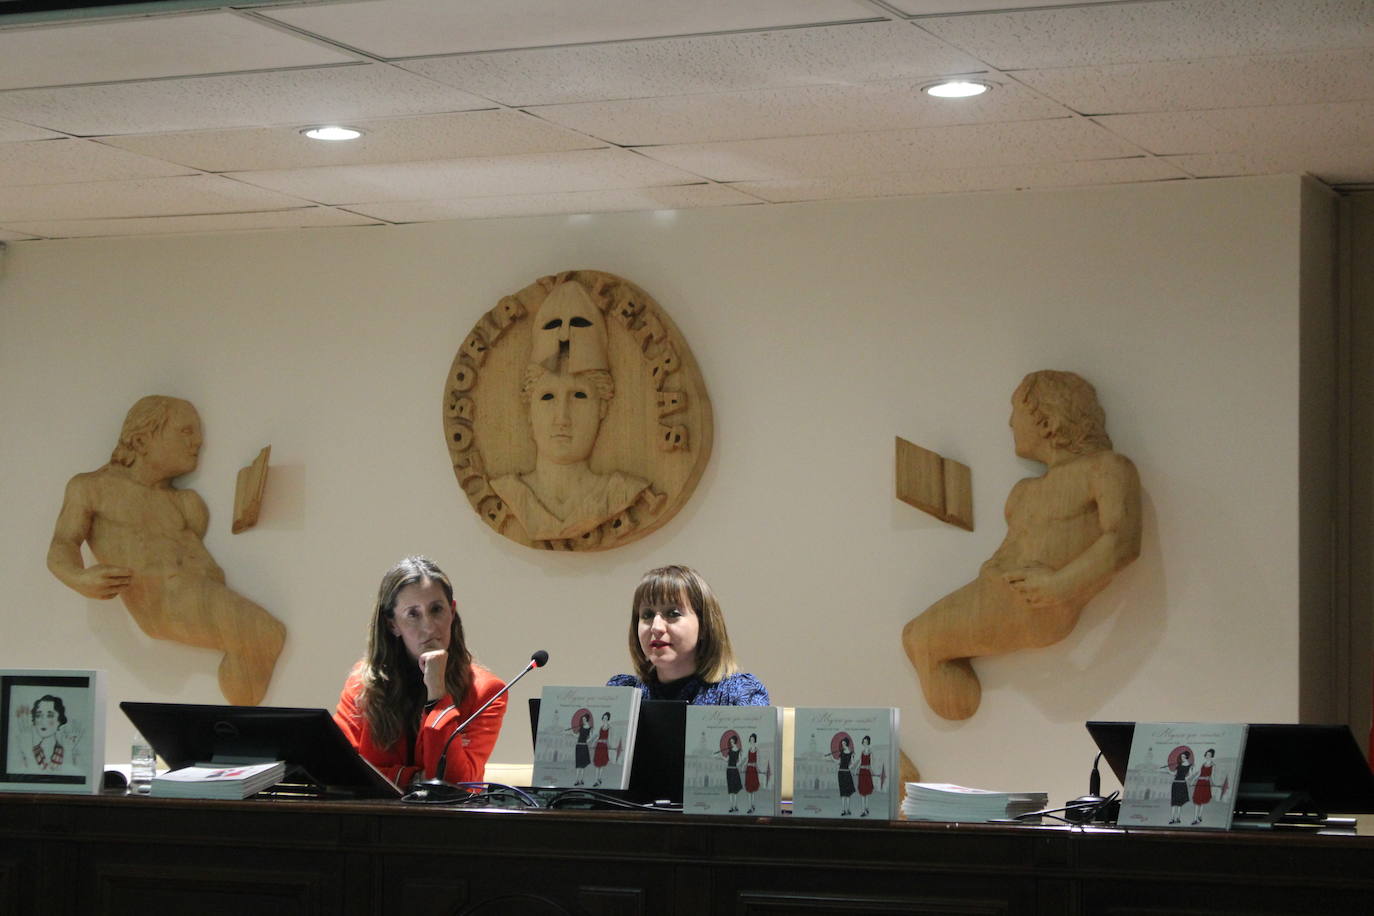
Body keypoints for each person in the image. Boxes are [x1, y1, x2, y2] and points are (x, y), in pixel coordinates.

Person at [903, 371, 1142, 719]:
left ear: (1047, 421)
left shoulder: (1105, 468)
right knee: (913, 635)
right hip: (999, 592)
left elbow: (1123, 541)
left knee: (920, 639)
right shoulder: (1024, 491)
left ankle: (958, 713)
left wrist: (1060, 586)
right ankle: (959, 713)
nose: (1010, 422)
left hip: (1035, 604)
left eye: (1017, 411)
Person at [47, 395, 286, 706]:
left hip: (199, 595)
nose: (197, 442)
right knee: (265, 632)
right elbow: (62, 543)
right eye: (185, 431)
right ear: (144, 437)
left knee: (264, 635)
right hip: (164, 605)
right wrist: (79, 577)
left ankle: (240, 726)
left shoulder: (185, 503)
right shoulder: (92, 488)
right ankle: (242, 731)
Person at [490, 280, 649, 541]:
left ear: (603, 407)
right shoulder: (508, 491)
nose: (562, 417)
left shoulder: (623, 492)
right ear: (529, 410)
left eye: (578, 396)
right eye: (548, 397)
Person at [334, 556, 506, 788]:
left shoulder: (487, 691)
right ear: (392, 624)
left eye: (436, 610)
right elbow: (342, 772)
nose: (429, 627)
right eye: (413, 614)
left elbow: (456, 785)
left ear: (452, 612)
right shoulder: (362, 683)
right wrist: (417, 780)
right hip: (375, 819)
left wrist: (437, 694)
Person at [607, 565, 769, 705]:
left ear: (705, 626)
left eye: (673, 613)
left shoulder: (738, 694)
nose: (656, 627)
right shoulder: (621, 695)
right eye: (647, 615)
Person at [1191, 748, 1216, 825]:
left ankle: (1199, 816)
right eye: (1207, 754)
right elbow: (1199, 774)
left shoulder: (1213, 765)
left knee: (1202, 801)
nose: (1207, 756)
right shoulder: (1203, 764)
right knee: (1197, 801)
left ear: (1212, 756)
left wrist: (1213, 783)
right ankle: (1195, 819)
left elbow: (1212, 776)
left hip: (1205, 784)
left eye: (1209, 755)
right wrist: (1193, 780)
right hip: (1199, 783)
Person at [836, 736, 856, 815]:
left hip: (847, 773)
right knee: (842, 793)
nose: (842, 745)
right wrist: (831, 759)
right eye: (842, 744)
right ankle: (843, 810)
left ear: (847, 744)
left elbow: (853, 763)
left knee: (848, 793)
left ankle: (848, 810)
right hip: (841, 773)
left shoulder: (851, 753)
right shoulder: (841, 753)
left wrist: (849, 767)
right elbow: (838, 762)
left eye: (844, 743)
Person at [856, 735, 874, 817]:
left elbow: (872, 763)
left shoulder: (870, 751)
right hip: (862, 772)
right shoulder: (862, 751)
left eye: (866, 741)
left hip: (867, 773)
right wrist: (856, 769)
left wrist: (872, 770)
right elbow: (860, 761)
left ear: (868, 742)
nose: (864, 742)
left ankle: (866, 808)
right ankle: (864, 810)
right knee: (863, 792)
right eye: (864, 741)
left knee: (866, 792)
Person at [724, 733, 743, 812]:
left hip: (734, 770)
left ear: (735, 742)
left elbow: (740, 761)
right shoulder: (729, 750)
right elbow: (726, 760)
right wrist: (720, 757)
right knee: (730, 790)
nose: (731, 743)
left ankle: (735, 806)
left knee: (735, 790)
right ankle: (731, 807)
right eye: (730, 742)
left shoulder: (739, 750)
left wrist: (737, 765)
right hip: (729, 770)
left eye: (732, 742)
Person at [743, 732, 761, 814]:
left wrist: (759, 769)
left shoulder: (757, 750)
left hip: (753, 770)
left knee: (752, 790)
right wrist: (743, 766)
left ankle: (752, 805)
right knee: (749, 790)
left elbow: (758, 761)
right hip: (749, 770)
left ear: (755, 740)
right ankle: (750, 807)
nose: (751, 741)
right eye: (750, 739)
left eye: (753, 739)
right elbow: (747, 760)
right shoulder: (749, 749)